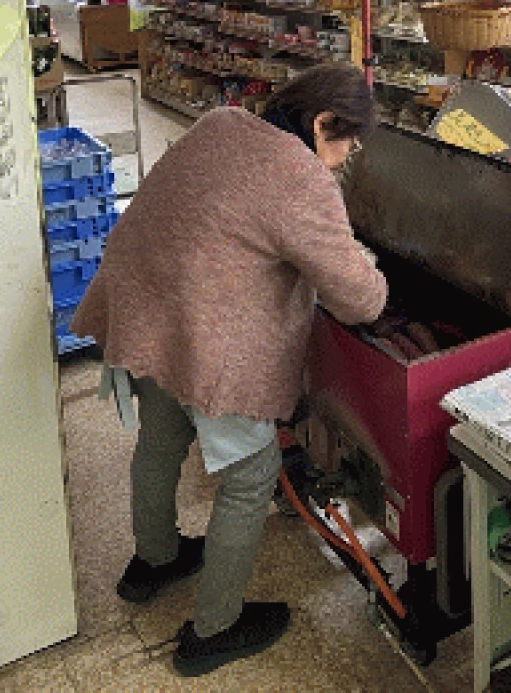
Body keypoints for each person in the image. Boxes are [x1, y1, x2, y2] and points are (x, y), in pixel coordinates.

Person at [71, 63, 388, 678]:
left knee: (161, 438)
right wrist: (372, 268)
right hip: (202, 332)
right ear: (323, 124)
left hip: (143, 308)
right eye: (347, 143)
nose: (345, 159)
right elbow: (361, 299)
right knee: (250, 475)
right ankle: (213, 629)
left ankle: (155, 561)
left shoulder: (221, 122)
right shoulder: (298, 177)